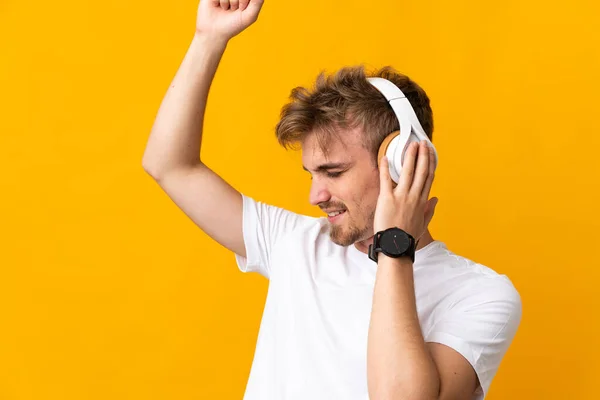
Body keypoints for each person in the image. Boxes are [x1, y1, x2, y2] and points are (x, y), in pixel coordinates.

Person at [142, 1, 522, 399]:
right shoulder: (296, 244)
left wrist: (393, 243)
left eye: (333, 172)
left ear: (401, 161)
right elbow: (169, 165)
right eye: (312, 174)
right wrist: (209, 38)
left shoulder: (481, 295)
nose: (315, 196)